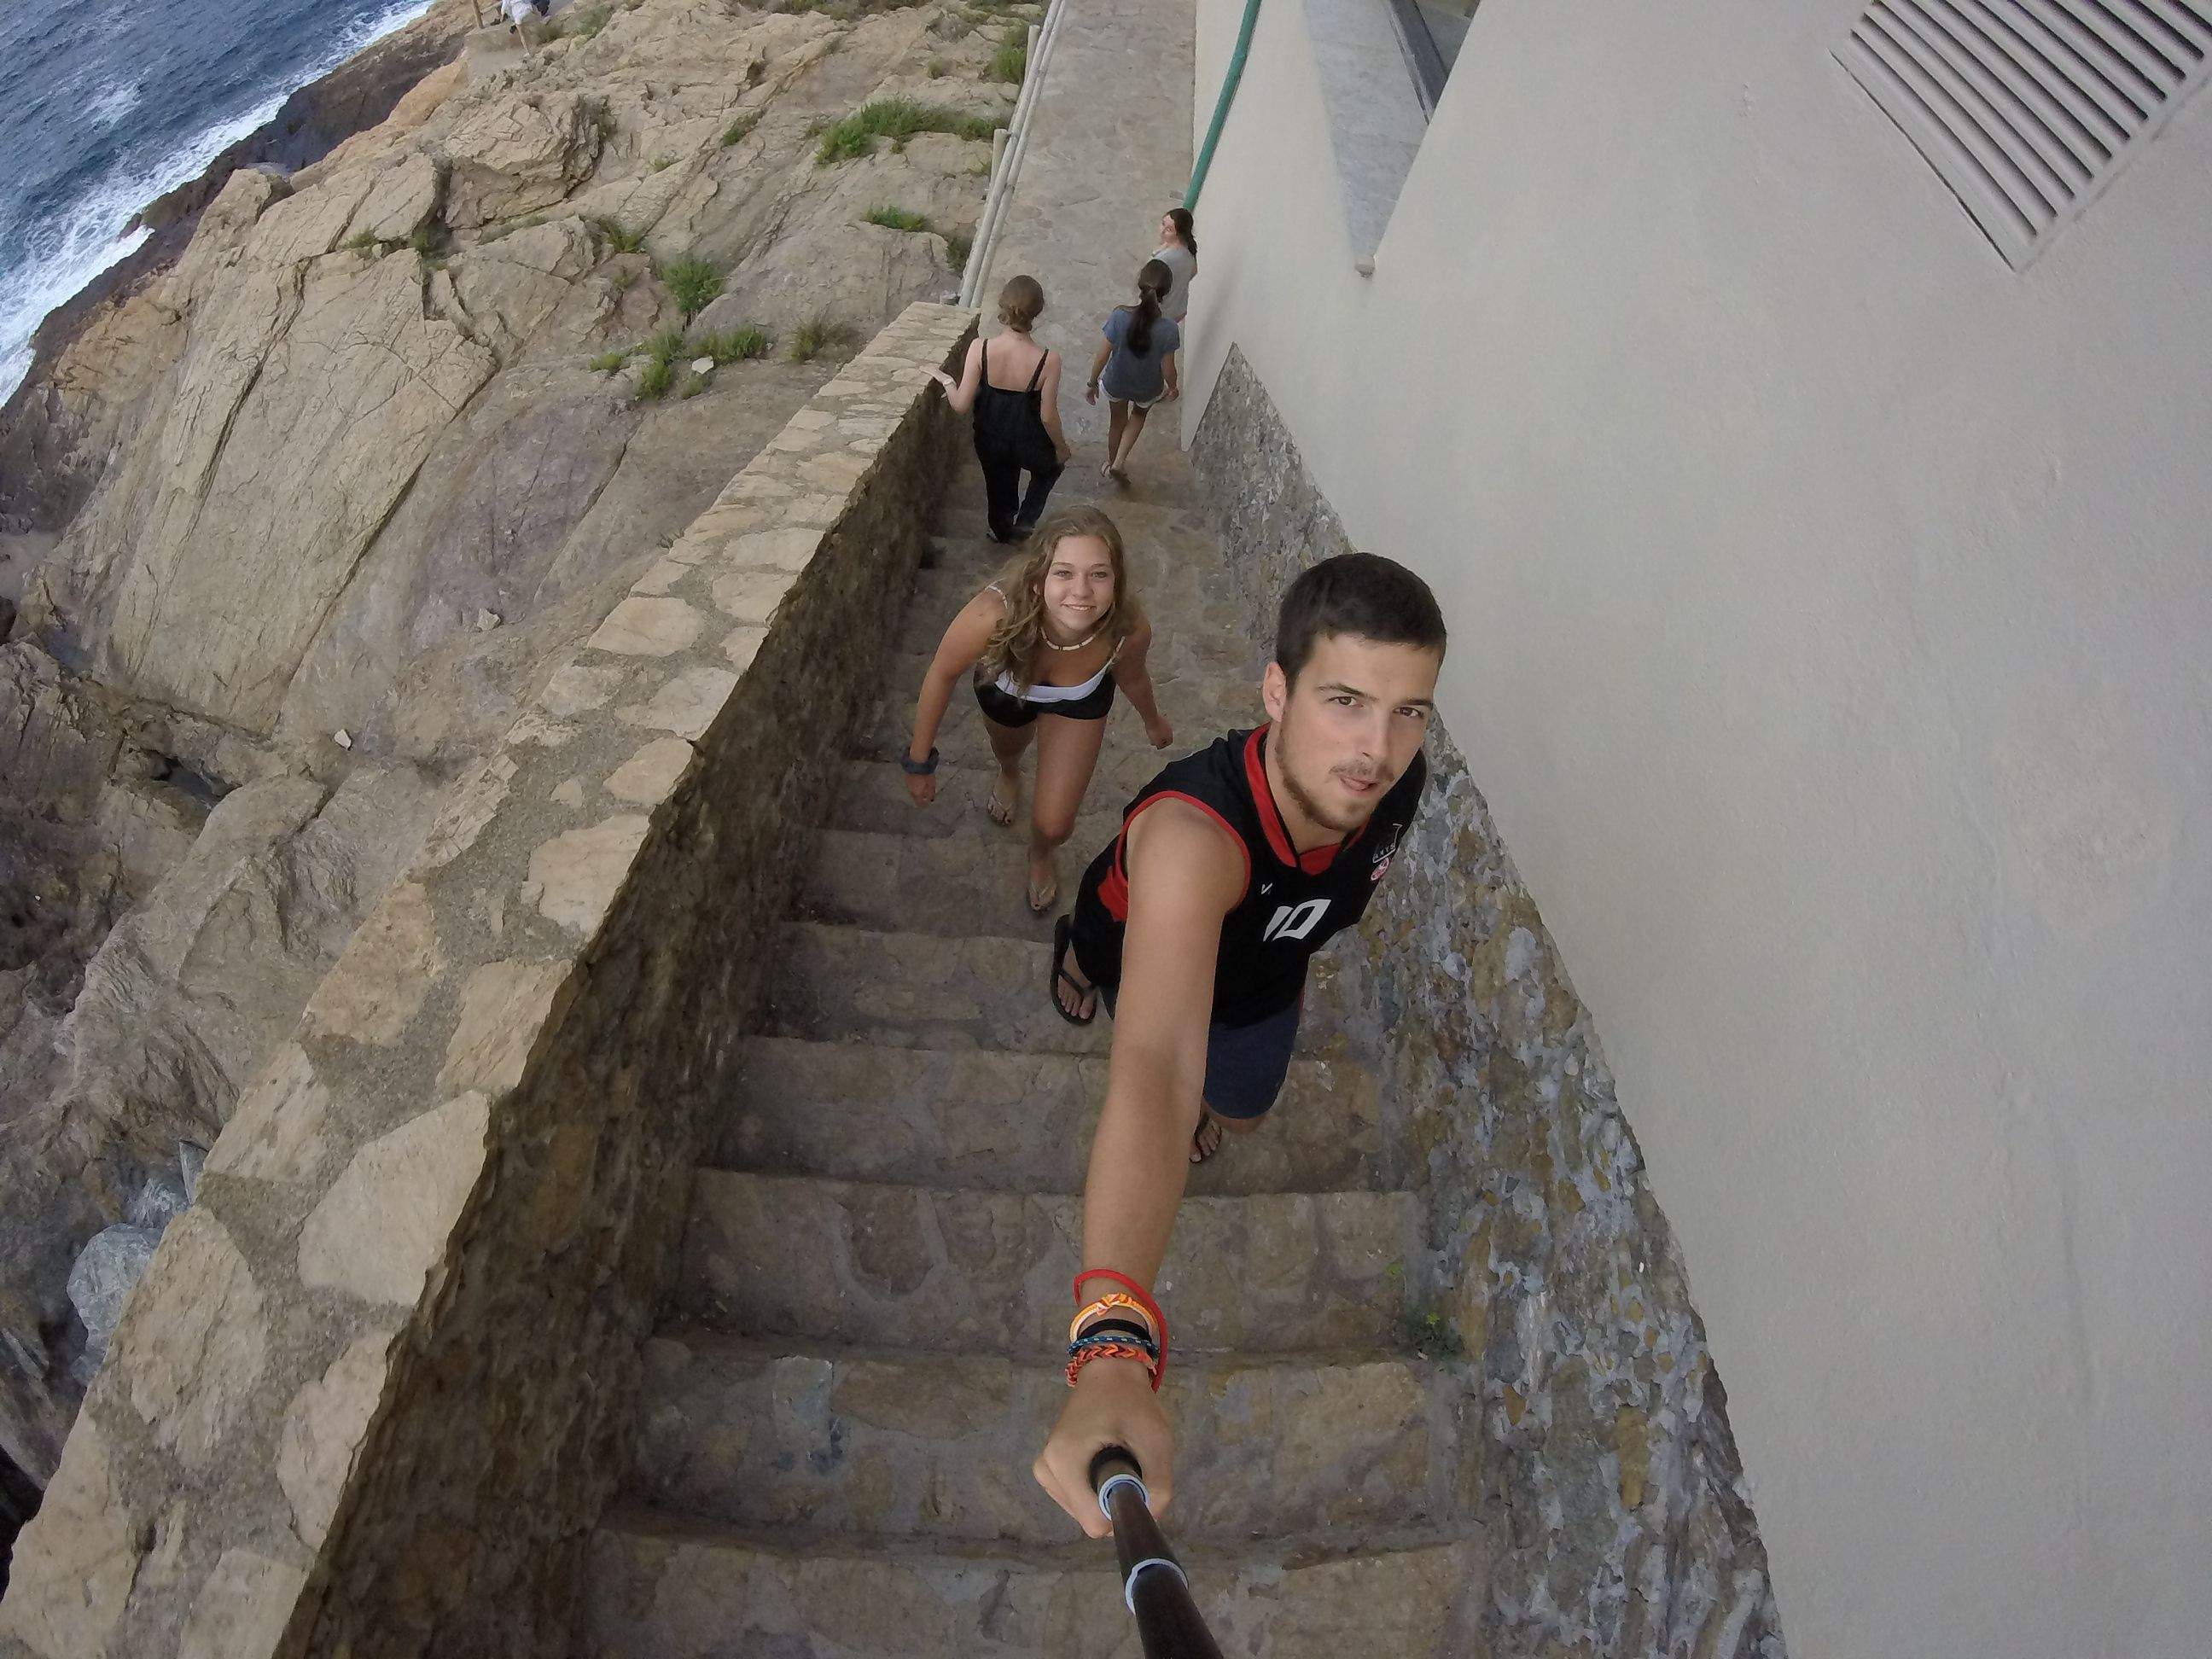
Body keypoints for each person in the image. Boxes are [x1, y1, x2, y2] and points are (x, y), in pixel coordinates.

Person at [1031, 552, 1447, 1536]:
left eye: (1409, 711)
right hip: (1142, 933)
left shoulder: (1397, 781)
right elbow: (1156, 1069)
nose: (1376, 748)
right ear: (1276, 690)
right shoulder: (1193, 838)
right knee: (1101, 978)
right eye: (1344, 700)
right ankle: (1078, 968)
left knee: (1243, 1109)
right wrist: (1113, 1341)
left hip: (1264, 984)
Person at [904, 508, 1174, 912]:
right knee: (1008, 749)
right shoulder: (993, 617)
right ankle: (1010, 772)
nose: (1081, 591)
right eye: (1064, 573)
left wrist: (1152, 720)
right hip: (1007, 694)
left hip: (1080, 703)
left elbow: (1132, 676)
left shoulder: (1126, 630)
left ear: (1116, 582)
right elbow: (942, 673)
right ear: (1036, 580)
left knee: (1055, 823)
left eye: (1098, 574)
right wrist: (919, 761)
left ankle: (1041, 852)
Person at [930, 275, 1073, 543]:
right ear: (1038, 311)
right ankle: (1027, 520)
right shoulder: (1048, 360)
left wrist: (948, 381)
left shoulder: (981, 348)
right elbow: (1048, 415)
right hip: (1028, 441)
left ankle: (1001, 527)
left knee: (998, 482)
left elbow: (960, 405)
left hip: (990, 438)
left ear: (1002, 305)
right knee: (1051, 468)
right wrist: (1062, 448)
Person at [1085, 259, 1180, 486]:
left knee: (1117, 421)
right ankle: (1120, 461)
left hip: (1116, 381)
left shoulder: (1119, 316)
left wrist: (1091, 383)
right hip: (1147, 387)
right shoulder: (1168, 329)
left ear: (1140, 285)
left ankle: (1111, 462)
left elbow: (1102, 356)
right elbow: (1169, 369)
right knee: (1138, 416)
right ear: (1166, 292)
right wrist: (1173, 387)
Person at [1151, 207, 1197, 324]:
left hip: (1160, 313)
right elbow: (1194, 271)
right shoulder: (1189, 249)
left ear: (1179, 234)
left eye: (1169, 229)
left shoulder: (1163, 259)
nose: (1162, 231)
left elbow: (1148, 284)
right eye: (1163, 224)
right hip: (1179, 309)